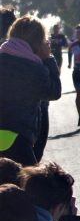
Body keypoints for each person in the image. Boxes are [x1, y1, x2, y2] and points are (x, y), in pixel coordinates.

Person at [0, 16, 61, 166]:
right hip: (18, 136)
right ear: (38, 41)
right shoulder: (35, 68)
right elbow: (54, 92)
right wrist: (49, 58)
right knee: (31, 185)